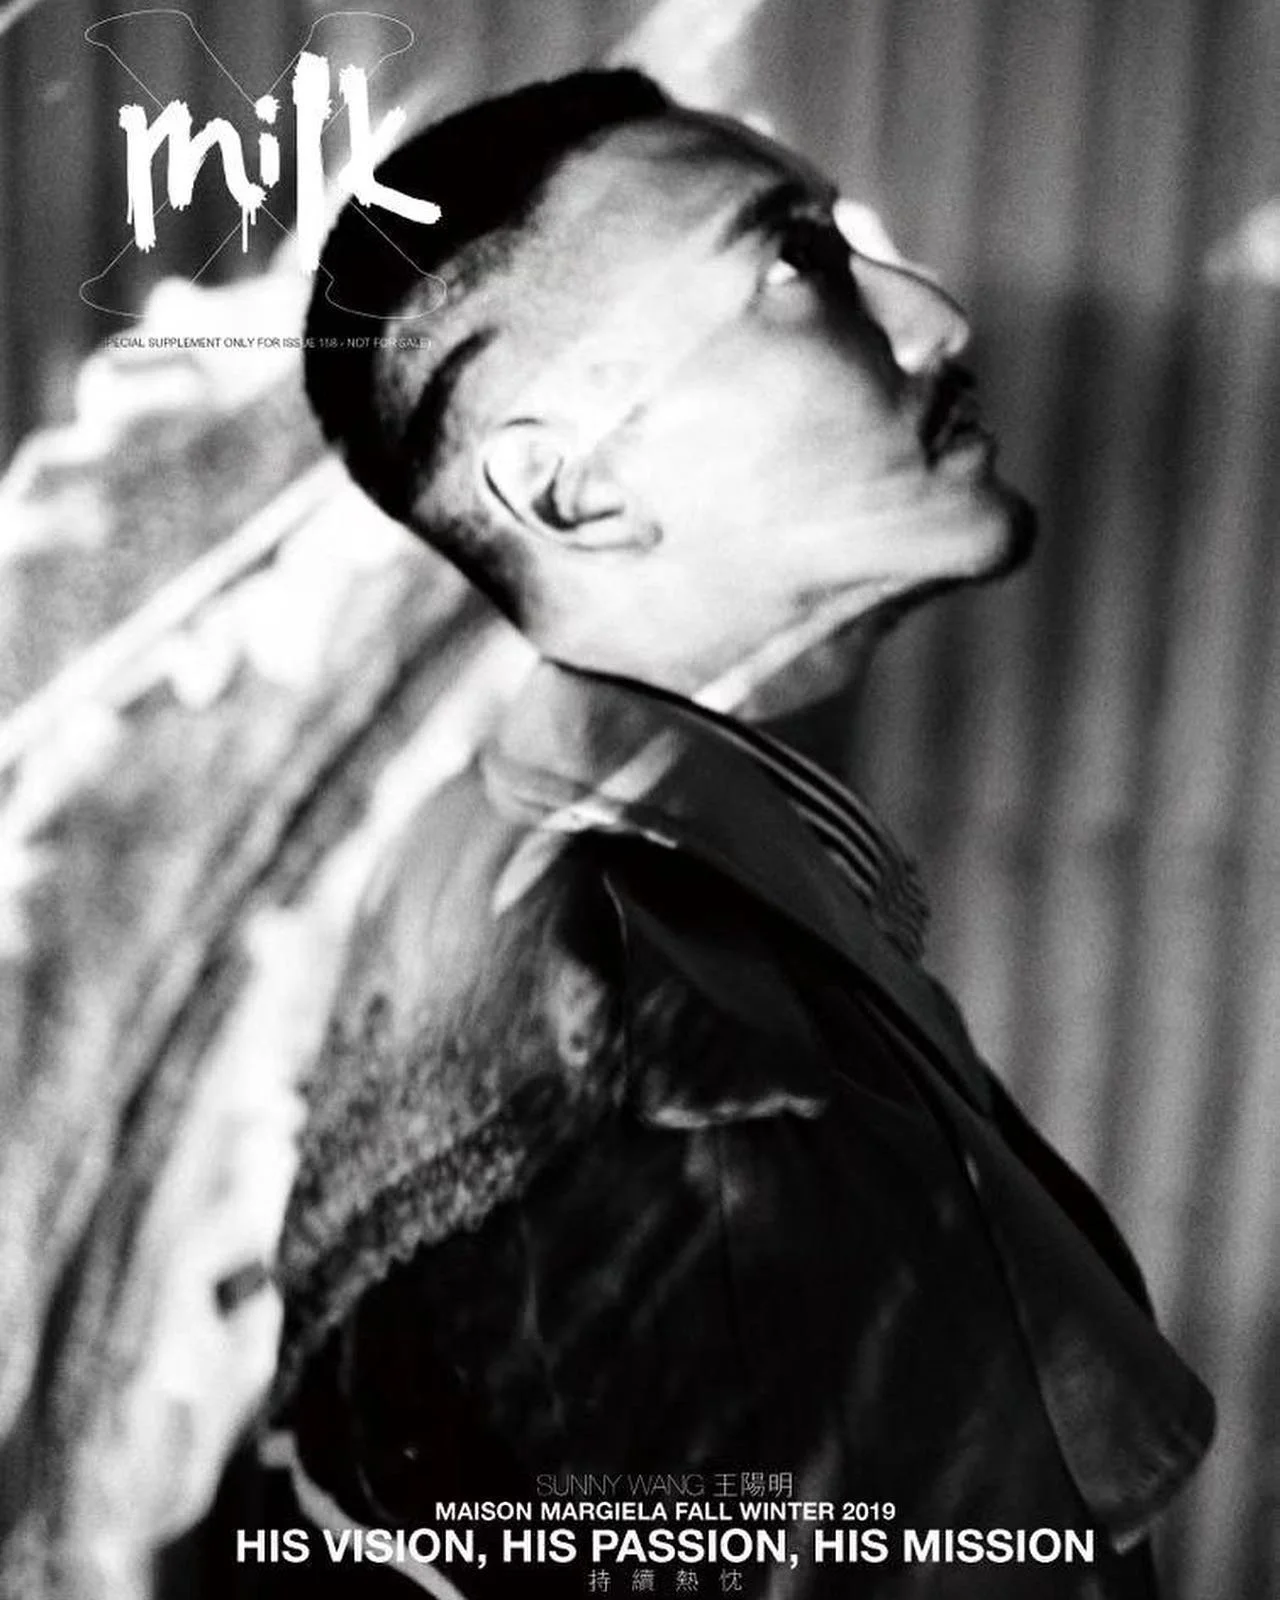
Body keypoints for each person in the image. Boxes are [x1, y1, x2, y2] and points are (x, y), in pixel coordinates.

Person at [268, 70, 1213, 1599]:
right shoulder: (675, 1030)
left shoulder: (538, 854)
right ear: (572, 489)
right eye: (799, 264)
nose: (936, 320)